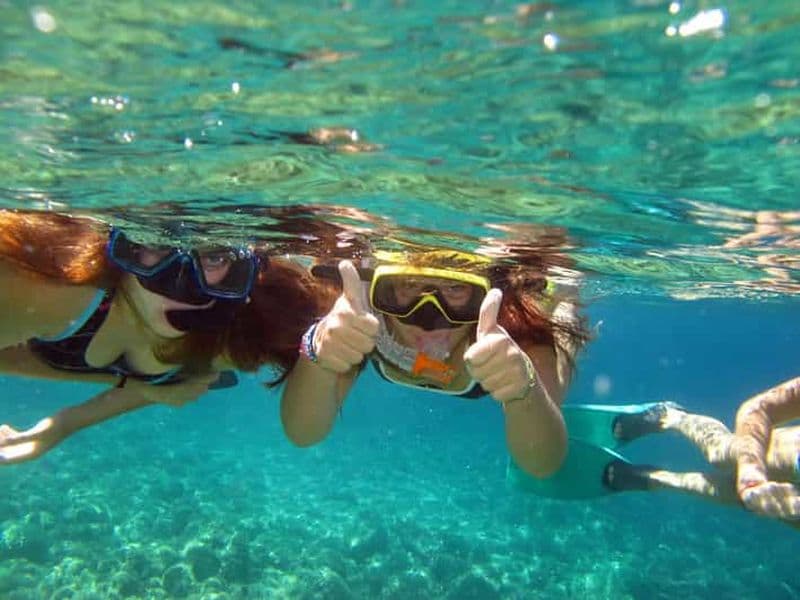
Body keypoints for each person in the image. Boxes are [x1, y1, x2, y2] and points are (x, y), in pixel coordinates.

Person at [0, 209, 320, 464]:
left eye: (214, 257)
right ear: (126, 241)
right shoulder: (57, 291)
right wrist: (63, 424)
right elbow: (151, 383)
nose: (180, 282)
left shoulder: (231, 329)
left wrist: (62, 425)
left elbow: (164, 385)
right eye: (156, 245)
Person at [280, 248, 591, 478]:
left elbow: (542, 464)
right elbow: (302, 432)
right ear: (383, 289)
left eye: (456, 289)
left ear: (483, 295)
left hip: (507, 347)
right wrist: (318, 354)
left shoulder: (515, 331)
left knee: (557, 326)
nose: (429, 314)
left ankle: (566, 301)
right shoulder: (362, 314)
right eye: (409, 286)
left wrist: (525, 391)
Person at [509, 377, 800, 526]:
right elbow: (759, 408)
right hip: (787, 451)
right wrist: (752, 471)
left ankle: (651, 477)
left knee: (747, 501)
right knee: (724, 454)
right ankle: (673, 419)